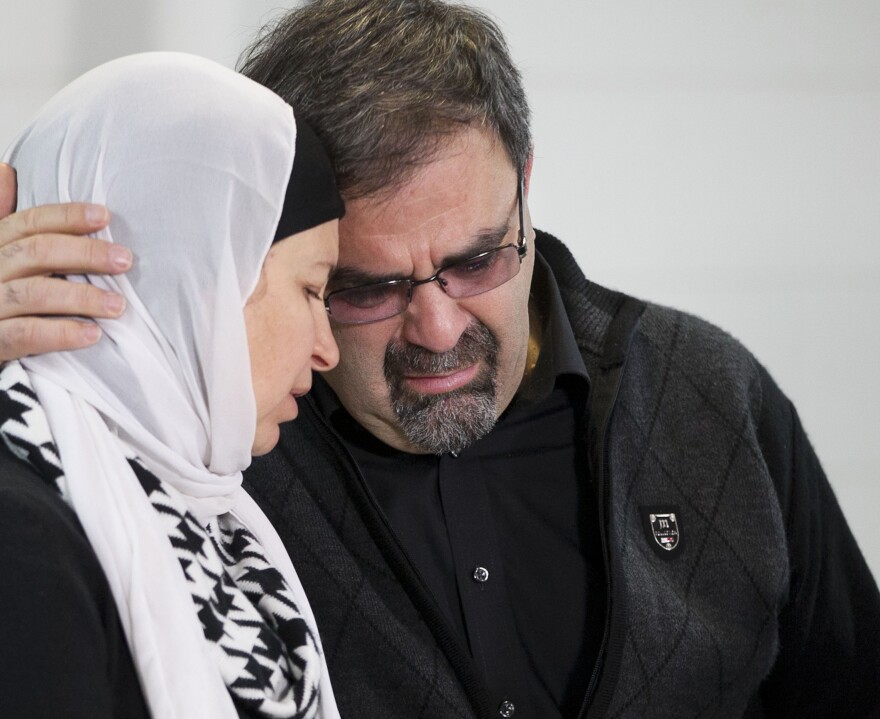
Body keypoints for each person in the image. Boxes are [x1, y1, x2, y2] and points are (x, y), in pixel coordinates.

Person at [1, 1, 879, 717]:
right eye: (362, 288)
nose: (434, 326)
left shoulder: (708, 396)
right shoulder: (216, 447)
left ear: (526, 187)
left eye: (474, 261)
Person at [0, 52, 346, 718]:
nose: (327, 347)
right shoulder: (23, 539)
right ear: (194, 283)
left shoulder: (217, 527)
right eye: (310, 289)